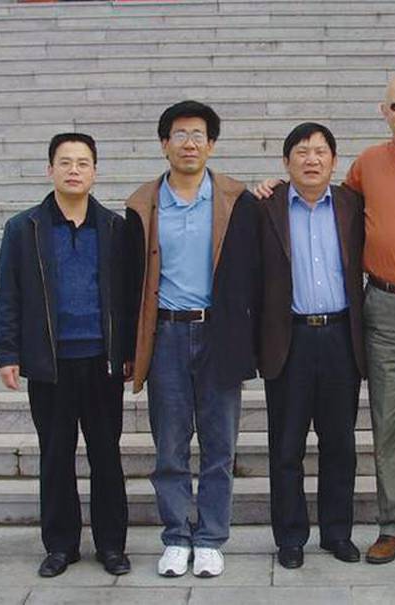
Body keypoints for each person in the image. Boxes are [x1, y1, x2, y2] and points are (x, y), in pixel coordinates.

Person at [254, 74, 395, 573]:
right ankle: (393, 526)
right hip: (383, 307)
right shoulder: (365, 169)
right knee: (387, 423)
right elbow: (322, 201)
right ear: (383, 111)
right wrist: (271, 187)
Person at [124, 100, 260, 578]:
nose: (189, 143)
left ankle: (211, 538)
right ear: (164, 144)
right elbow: (128, 280)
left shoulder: (236, 201)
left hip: (218, 333)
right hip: (165, 333)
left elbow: (254, 273)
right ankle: (177, 535)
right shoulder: (142, 204)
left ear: (212, 145)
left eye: (198, 135)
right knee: (170, 445)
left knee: (220, 445)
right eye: (179, 134)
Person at [0, 132, 131, 578]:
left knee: (106, 455)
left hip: (101, 361)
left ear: (95, 172)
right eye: (66, 162)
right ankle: (60, 545)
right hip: (49, 364)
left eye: (83, 162)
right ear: (50, 169)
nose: (74, 170)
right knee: (55, 456)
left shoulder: (114, 228)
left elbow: (127, 296)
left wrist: (127, 351)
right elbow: (8, 294)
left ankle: (111, 545)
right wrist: (7, 352)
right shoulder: (25, 229)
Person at [257, 122, 365, 569]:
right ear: (286, 162)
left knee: (340, 443)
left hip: (341, 336)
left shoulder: (352, 204)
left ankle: (337, 533)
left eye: (320, 151)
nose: (311, 159)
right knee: (287, 446)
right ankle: (290, 537)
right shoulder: (264, 207)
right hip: (290, 338)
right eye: (301, 152)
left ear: (334, 161)